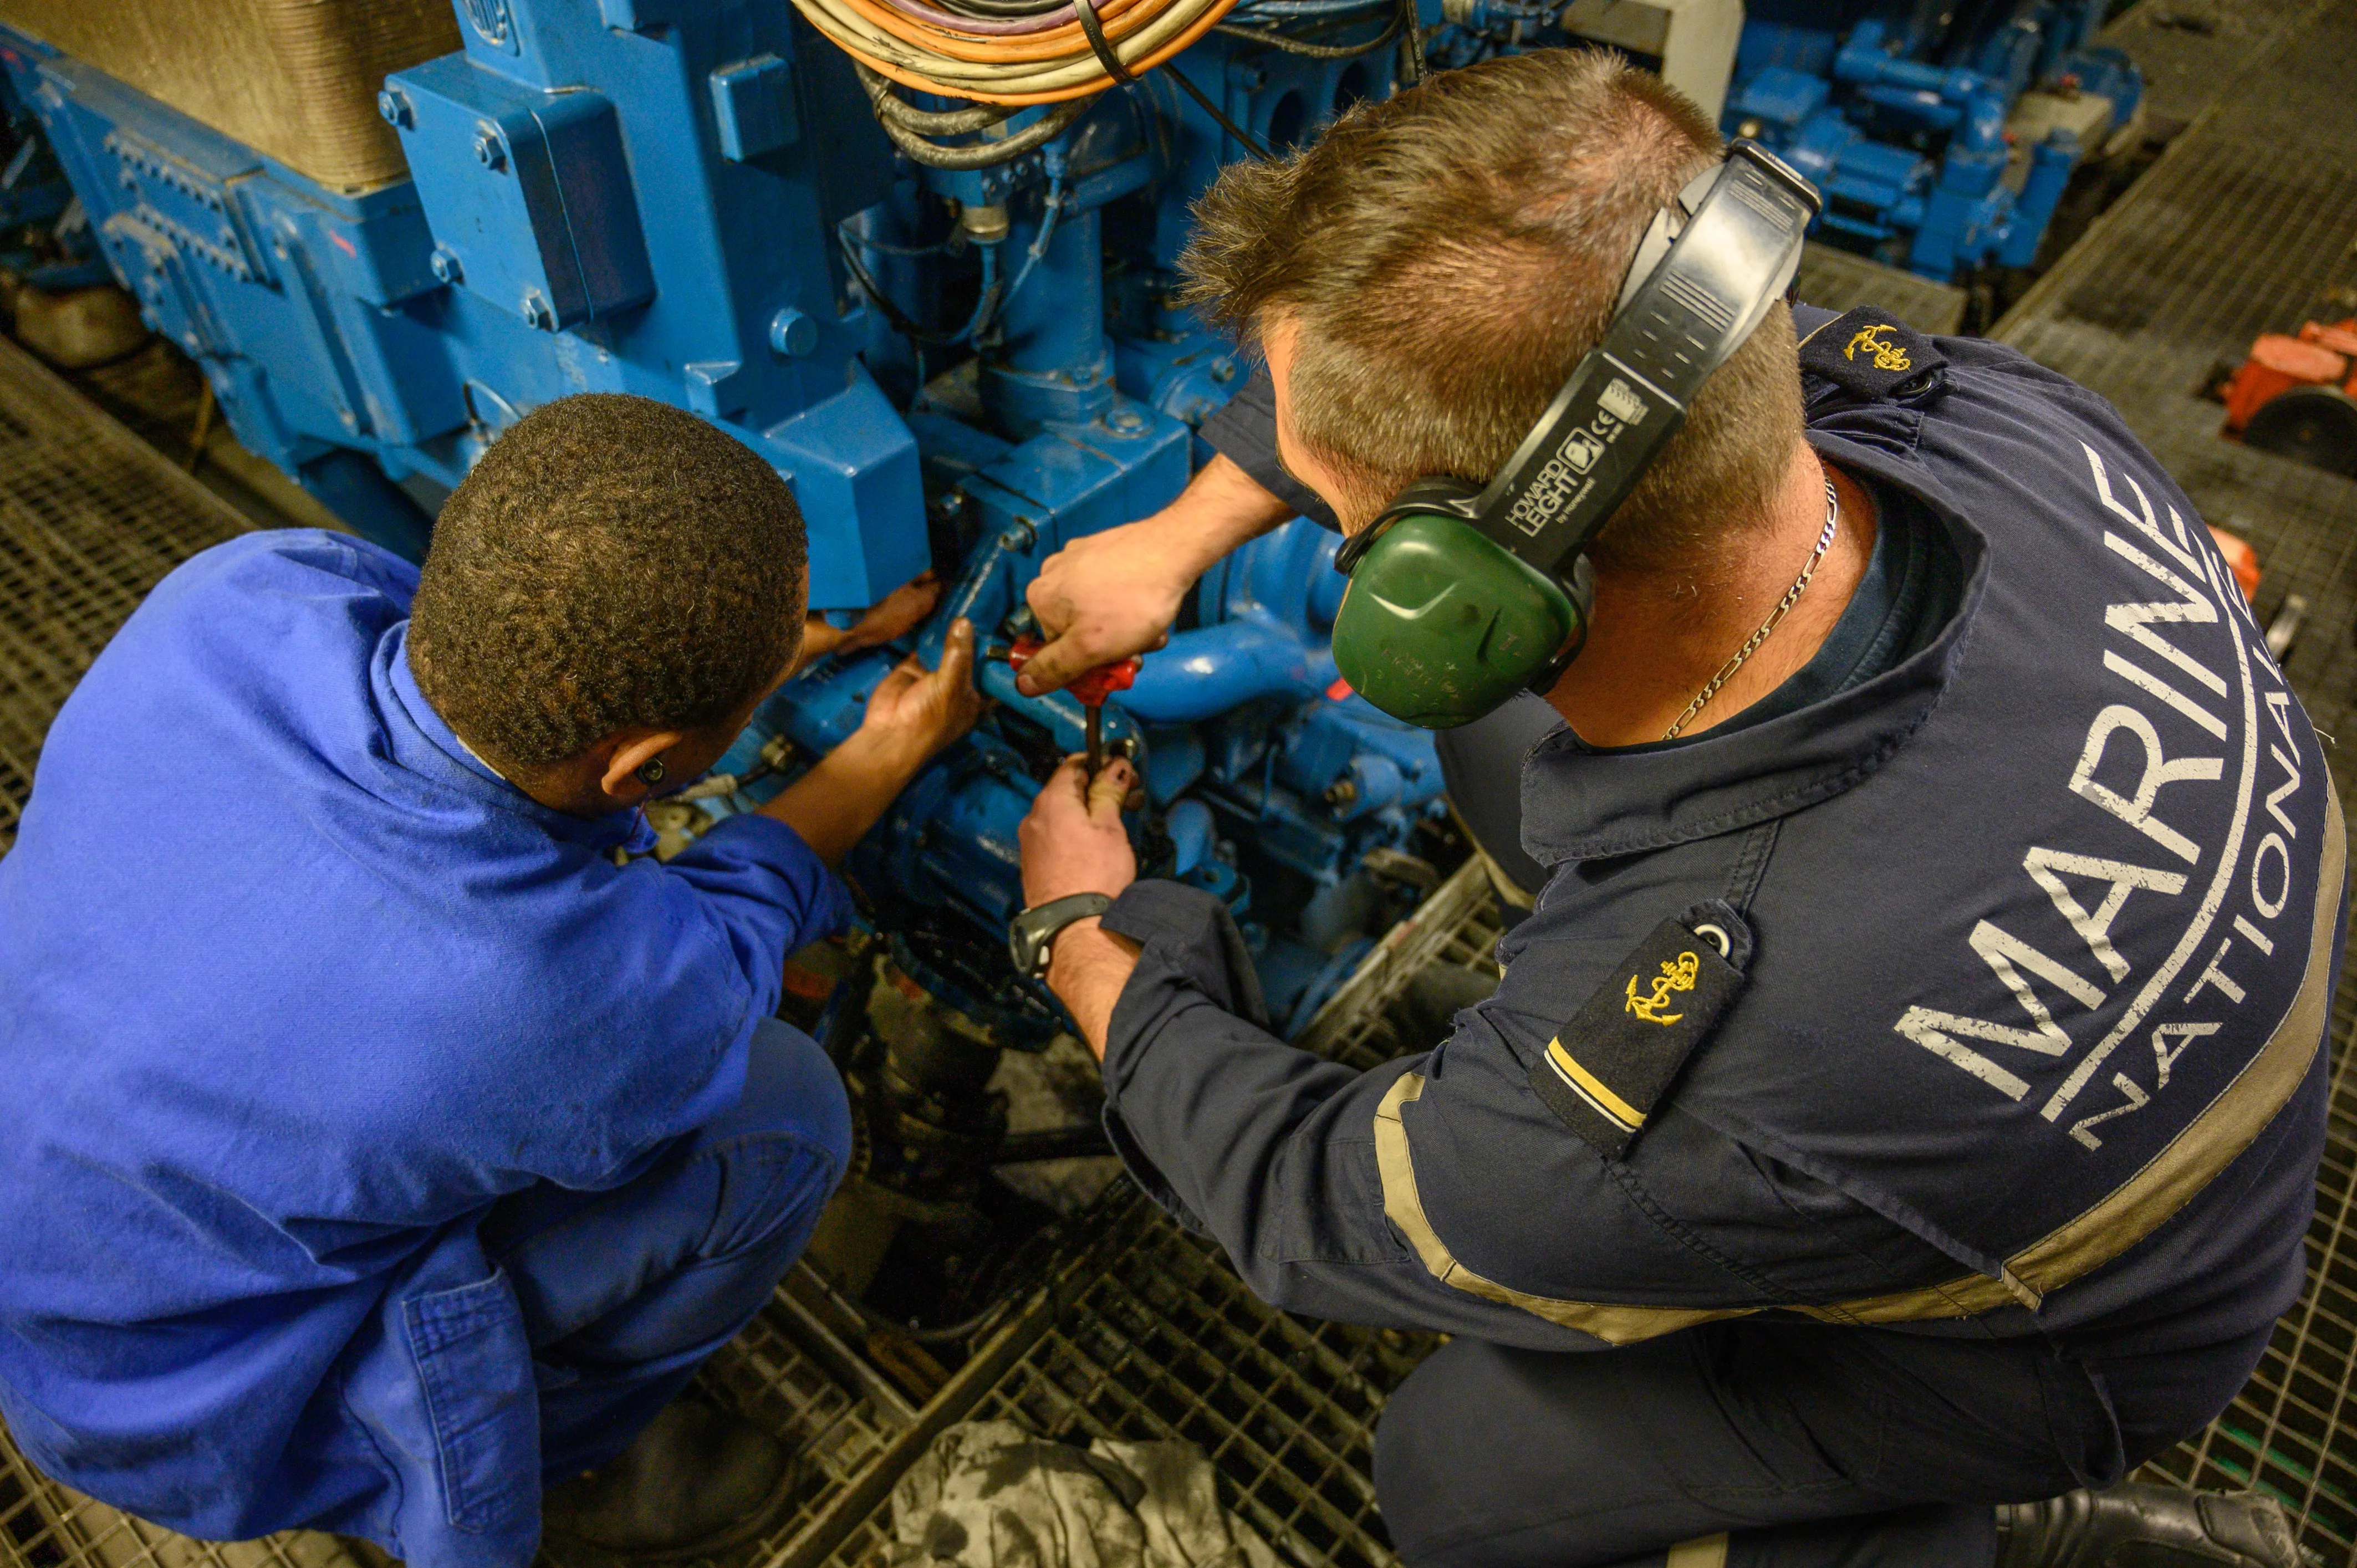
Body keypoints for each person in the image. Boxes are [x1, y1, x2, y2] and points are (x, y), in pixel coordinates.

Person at [1012, 49, 2332, 1568]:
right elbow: (1558, 378)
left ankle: (2004, 1533)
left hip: (2089, 1319)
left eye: (1336, 509)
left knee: (1467, 1464)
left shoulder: (1715, 1074)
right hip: (2131, 1033)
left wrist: (1080, 935)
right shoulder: (1997, 422)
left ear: (1441, 599)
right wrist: (1179, 537)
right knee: (1514, 743)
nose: (1319, 520)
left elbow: (1313, 1200)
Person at [0, 395, 981, 1568]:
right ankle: (561, 1464)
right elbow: (722, 937)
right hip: (180, 1410)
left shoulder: (245, 589)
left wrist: (744, 664)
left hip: (44, 1220)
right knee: (785, 1116)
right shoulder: (553, 996)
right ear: (645, 767)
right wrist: (881, 754)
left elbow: (514, 680)